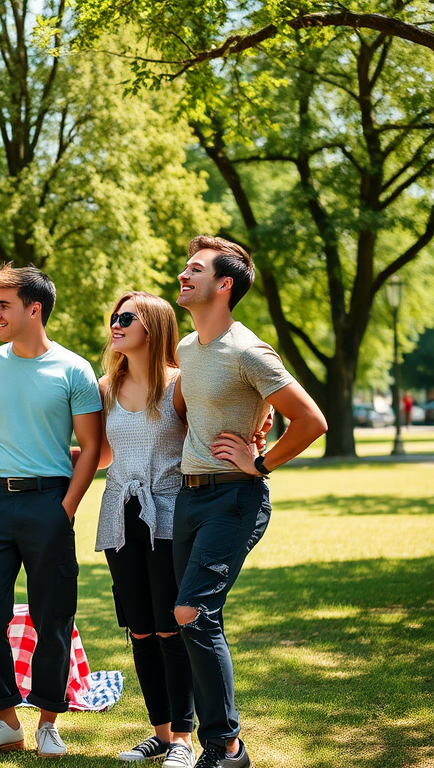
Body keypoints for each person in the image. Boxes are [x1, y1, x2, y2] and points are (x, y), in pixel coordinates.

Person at [174, 236, 327, 768]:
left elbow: (311, 420)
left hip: (235, 499)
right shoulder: (187, 349)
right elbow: (183, 410)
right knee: (193, 617)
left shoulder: (249, 349)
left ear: (225, 285)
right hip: (187, 496)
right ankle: (214, 741)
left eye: (195, 269)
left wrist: (260, 462)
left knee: (193, 613)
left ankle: (225, 746)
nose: (182, 276)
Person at [0, 264, 103, 758]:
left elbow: (90, 446)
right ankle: (5, 721)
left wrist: (65, 508)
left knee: (53, 616)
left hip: (49, 502)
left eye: (4, 305)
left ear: (33, 309)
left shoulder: (74, 369)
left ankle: (47, 723)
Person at [95, 292, 197, 768]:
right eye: (114, 318)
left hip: (170, 516)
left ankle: (184, 737)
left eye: (125, 318)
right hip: (120, 517)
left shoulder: (180, 384)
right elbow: (99, 456)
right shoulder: (105, 387)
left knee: (169, 628)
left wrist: (260, 425)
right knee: (138, 629)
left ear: (151, 328)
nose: (115, 325)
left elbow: (224, 416)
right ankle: (159, 732)